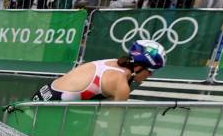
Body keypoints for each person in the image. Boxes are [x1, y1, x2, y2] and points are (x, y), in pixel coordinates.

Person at [32, 39, 165, 102]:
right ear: (140, 66)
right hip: (50, 106)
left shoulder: (114, 63)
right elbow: (114, 126)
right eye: (151, 71)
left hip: (44, 94)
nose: (150, 75)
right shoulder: (121, 85)